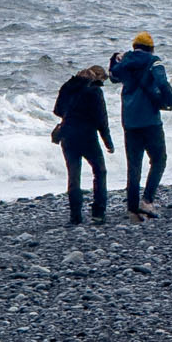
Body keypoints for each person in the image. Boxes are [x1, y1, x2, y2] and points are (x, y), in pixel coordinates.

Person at [109, 32, 172, 220]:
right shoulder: (154, 61)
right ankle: (147, 201)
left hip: (129, 121)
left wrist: (114, 58)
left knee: (134, 166)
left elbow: (113, 76)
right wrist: (171, 102)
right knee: (158, 160)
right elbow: (162, 82)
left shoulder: (125, 62)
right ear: (151, 47)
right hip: (150, 121)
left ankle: (132, 209)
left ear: (134, 46)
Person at [53, 65, 114, 225]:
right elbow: (101, 119)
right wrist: (108, 142)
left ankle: (75, 216)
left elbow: (57, 111)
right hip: (87, 137)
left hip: (67, 136)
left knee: (73, 176)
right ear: (98, 77)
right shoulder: (94, 91)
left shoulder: (67, 87)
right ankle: (98, 212)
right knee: (100, 171)